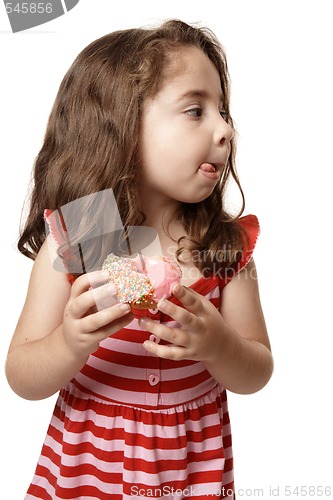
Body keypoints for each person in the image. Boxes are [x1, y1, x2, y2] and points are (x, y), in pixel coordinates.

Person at [5, 19, 273, 500]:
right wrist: (68, 342)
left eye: (223, 111)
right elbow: (22, 376)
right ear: (122, 125)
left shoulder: (223, 247)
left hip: (190, 470)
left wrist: (219, 345)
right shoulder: (80, 239)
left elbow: (258, 370)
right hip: (89, 469)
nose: (225, 129)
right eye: (196, 110)